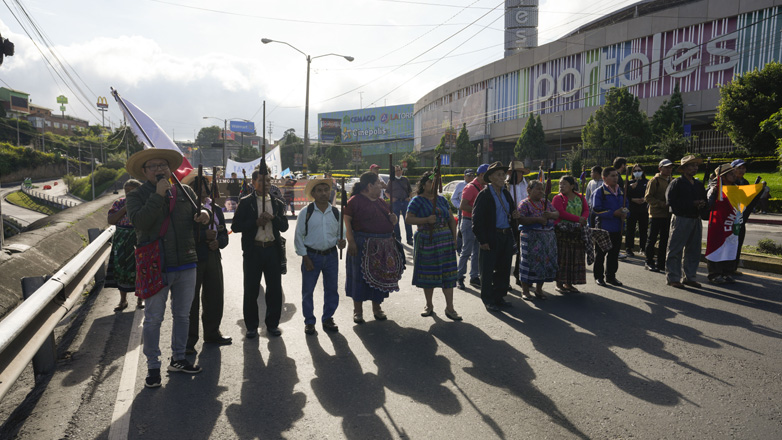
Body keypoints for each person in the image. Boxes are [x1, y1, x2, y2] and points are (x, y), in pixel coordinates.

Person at [125, 149, 211, 388]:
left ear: (170, 169)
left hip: (186, 260)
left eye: (163, 165)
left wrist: (203, 214)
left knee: (183, 315)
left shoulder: (185, 191)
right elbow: (140, 222)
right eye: (152, 166)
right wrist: (158, 195)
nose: (159, 169)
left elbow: (199, 211)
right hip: (156, 264)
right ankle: (153, 365)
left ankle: (179, 358)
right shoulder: (137, 195)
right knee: (153, 319)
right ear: (144, 172)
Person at [232, 167, 290, 338]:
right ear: (253, 182)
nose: (265, 184)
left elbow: (284, 226)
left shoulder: (277, 202)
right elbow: (236, 226)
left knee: (274, 290)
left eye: (268, 180)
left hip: (272, 250)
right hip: (253, 251)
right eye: (261, 180)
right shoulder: (246, 202)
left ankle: (272, 324)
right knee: (251, 290)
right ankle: (251, 326)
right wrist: (255, 222)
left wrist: (273, 218)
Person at [344, 172, 405, 323]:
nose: (381, 186)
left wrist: (394, 219)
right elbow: (346, 222)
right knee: (358, 278)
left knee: (379, 278)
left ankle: (377, 308)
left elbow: (392, 221)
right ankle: (358, 311)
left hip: (383, 246)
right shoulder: (354, 201)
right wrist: (351, 241)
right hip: (362, 245)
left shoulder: (381, 202)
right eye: (378, 183)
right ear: (369, 186)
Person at [185, 175, 231, 356]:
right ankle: (189, 340)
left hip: (213, 257)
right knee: (191, 301)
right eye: (198, 189)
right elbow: (185, 234)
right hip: (193, 258)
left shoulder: (217, 210)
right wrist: (205, 237)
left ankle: (212, 333)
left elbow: (224, 235)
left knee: (214, 296)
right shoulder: (187, 209)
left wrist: (218, 242)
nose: (203, 192)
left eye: (205, 188)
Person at [405, 171, 461, 320]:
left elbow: (451, 219)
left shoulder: (441, 200)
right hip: (427, 241)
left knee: (448, 275)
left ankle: (450, 308)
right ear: (424, 184)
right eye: (431, 182)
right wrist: (426, 220)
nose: (434, 185)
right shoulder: (417, 201)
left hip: (445, 241)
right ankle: (429, 305)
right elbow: (408, 219)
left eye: (436, 182)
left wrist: (454, 239)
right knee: (428, 274)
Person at [294, 178, 346, 335]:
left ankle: (328, 318)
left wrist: (341, 242)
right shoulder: (306, 212)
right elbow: (298, 237)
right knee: (308, 291)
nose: (324, 193)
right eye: (319, 190)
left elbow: (340, 233)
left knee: (331, 289)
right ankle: (309, 321)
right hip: (311, 256)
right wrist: (305, 257)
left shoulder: (336, 212)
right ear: (313, 194)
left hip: (331, 256)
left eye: (326, 190)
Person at [472, 162, 520, 312]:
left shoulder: (505, 193)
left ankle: (499, 297)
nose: (502, 177)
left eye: (503, 174)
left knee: (504, 269)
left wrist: (514, 215)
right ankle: (488, 299)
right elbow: (477, 220)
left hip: (506, 236)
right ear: (490, 177)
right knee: (487, 270)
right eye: (498, 174)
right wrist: (483, 240)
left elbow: (511, 213)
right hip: (491, 237)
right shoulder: (484, 195)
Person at [665, 155, 708, 289]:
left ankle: (690, 277)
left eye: (696, 166)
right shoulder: (676, 183)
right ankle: (673, 277)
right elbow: (671, 202)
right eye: (692, 165)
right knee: (675, 249)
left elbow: (704, 199)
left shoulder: (698, 184)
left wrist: (702, 203)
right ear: (683, 168)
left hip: (695, 219)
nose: (695, 168)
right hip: (681, 219)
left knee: (694, 250)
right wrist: (691, 203)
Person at [517, 179, 560, 300]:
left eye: (542, 189)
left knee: (543, 263)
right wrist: (537, 219)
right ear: (529, 190)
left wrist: (550, 215)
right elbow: (520, 219)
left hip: (547, 238)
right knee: (527, 263)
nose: (541, 192)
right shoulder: (524, 204)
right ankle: (525, 290)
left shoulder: (546, 203)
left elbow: (556, 213)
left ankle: (539, 289)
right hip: (530, 237)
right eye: (538, 189)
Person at [107, 178, 143, 312]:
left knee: (140, 268)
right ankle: (123, 300)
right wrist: (125, 207)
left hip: (138, 239)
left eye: (132, 191)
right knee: (121, 269)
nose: (129, 194)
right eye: (127, 191)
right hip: (121, 241)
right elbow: (111, 220)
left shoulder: (143, 203)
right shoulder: (119, 203)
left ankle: (140, 298)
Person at [591, 166, 628, 287]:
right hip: (603, 229)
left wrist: (625, 213)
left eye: (616, 175)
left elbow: (627, 207)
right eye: (612, 176)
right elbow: (596, 209)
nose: (615, 178)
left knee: (613, 254)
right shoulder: (599, 192)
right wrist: (613, 213)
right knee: (600, 254)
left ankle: (611, 276)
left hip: (617, 228)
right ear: (604, 178)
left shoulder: (621, 191)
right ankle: (599, 277)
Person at [551, 176, 588, 293]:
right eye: (560, 184)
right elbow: (560, 213)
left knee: (574, 257)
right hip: (563, 232)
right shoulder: (558, 198)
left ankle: (569, 283)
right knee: (562, 257)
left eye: (564, 184)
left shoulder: (580, 197)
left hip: (576, 232)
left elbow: (586, 210)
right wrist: (579, 219)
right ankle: (559, 283)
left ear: (572, 186)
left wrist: (583, 219)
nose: (561, 186)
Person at [457, 163, 489, 290]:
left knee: (477, 251)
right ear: (482, 175)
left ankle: (474, 277)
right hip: (468, 221)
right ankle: (460, 277)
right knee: (466, 251)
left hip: (478, 223)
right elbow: (462, 205)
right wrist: (478, 211)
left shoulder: (483, 187)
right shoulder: (470, 187)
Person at [706, 163, 739, 284]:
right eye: (731, 174)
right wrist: (714, 192)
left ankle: (727, 272)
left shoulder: (736, 188)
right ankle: (715, 273)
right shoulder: (714, 189)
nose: (734, 176)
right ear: (723, 177)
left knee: (730, 247)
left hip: (731, 222)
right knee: (717, 246)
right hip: (717, 223)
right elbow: (709, 204)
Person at [644, 159, 674, 272]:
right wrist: (661, 204)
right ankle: (649, 261)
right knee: (652, 239)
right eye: (666, 167)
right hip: (656, 214)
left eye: (670, 167)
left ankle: (661, 263)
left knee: (665, 240)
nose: (669, 169)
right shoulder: (654, 181)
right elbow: (648, 197)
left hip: (668, 215)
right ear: (660, 168)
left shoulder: (672, 180)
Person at [507, 160, 530, 287]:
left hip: (524, 221)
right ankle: (505, 279)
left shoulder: (527, 186)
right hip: (508, 222)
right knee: (508, 251)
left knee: (522, 250)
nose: (517, 175)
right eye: (514, 173)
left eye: (519, 173)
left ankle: (519, 276)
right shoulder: (505, 186)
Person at [625, 163, 648, 257]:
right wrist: (633, 198)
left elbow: (650, 194)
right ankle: (629, 248)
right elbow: (625, 195)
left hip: (643, 209)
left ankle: (643, 248)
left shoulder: (647, 182)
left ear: (642, 171)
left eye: (639, 170)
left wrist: (644, 199)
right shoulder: (629, 183)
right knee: (630, 229)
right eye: (635, 171)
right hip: (632, 209)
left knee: (643, 229)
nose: (637, 172)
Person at [450, 169, 475, 254]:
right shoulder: (460, 185)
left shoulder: (476, 185)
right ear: (464, 176)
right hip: (463, 211)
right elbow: (453, 198)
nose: (471, 177)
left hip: (473, 210)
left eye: (472, 175)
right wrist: (459, 207)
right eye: (469, 175)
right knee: (462, 230)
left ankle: (470, 249)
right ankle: (460, 248)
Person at [388, 165, 414, 245]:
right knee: (396, 221)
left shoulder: (405, 179)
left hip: (405, 202)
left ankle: (409, 238)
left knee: (408, 220)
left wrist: (409, 197)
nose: (398, 172)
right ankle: (398, 238)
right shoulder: (391, 181)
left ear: (401, 171)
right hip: (396, 202)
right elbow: (386, 192)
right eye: (396, 171)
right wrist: (391, 198)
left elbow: (410, 190)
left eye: (399, 170)